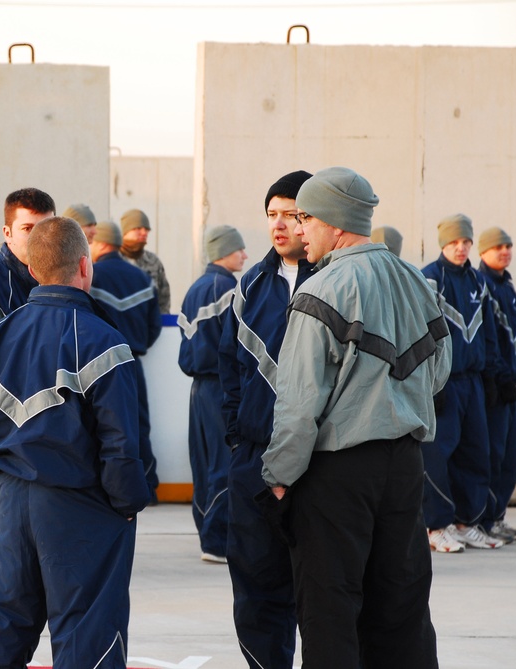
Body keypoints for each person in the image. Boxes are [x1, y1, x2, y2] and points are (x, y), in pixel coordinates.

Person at [262, 167, 450, 669]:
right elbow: (440, 370)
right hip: (405, 468)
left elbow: (299, 404)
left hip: (337, 475)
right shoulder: (417, 281)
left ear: (335, 222)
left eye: (304, 217)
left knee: (330, 611)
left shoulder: (320, 292)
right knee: (403, 607)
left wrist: (279, 478)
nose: (298, 229)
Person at [0, 215, 150, 668]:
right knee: (88, 640)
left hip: (8, 505)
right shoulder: (105, 342)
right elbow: (121, 443)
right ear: (86, 266)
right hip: (81, 508)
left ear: (35, 271)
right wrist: (125, 504)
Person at [218, 169, 313, 669]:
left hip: (322, 463)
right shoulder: (250, 285)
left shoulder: (338, 279)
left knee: (322, 593)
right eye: (272, 215)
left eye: (292, 215)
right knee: (257, 586)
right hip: (253, 460)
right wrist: (239, 436)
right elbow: (229, 368)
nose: (279, 226)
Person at [421, 214, 505, 552]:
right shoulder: (429, 278)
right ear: (443, 243)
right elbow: (422, 333)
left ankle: (466, 522)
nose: (461, 247)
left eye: (466, 242)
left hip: (472, 383)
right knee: (438, 455)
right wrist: (432, 381)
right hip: (444, 383)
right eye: (455, 241)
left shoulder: (477, 282)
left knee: (475, 453)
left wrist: (492, 376)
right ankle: (436, 526)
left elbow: (488, 335)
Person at [177, 225, 246, 564]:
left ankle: (207, 531)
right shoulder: (228, 288)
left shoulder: (196, 288)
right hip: (221, 387)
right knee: (225, 461)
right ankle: (219, 541)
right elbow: (239, 345)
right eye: (240, 249)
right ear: (224, 251)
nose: (245, 255)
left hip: (198, 388)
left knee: (203, 462)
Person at [91, 221, 161, 500]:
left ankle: (109, 488)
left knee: (105, 425)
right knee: (139, 423)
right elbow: (154, 326)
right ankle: (148, 486)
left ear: (101, 243)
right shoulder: (141, 277)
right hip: (133, 361)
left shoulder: (93, 275)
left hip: (99, 365)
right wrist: (138, 345)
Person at [478, 227, 516, 542]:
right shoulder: (481, 285)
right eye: (497, 247)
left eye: (508, 246)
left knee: (510, 457)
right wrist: (499, 378)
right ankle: (485, 517)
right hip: (496, 389)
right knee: (493, 456)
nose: (504, 251)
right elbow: (488, 342)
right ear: (483, 252)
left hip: (512, 383)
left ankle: (498, 516)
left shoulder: (507, 286)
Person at [0, 188, 55, 315]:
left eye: (46, 228)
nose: (39, 238)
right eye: (27, 228)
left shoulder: (65, 280)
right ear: (8, 234)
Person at [120, 208, 171, 314]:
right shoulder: (113, 261)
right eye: (138, 228)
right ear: (125, 231)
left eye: (146, 229)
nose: (144, 233)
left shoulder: (153, 262)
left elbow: (164, 298)